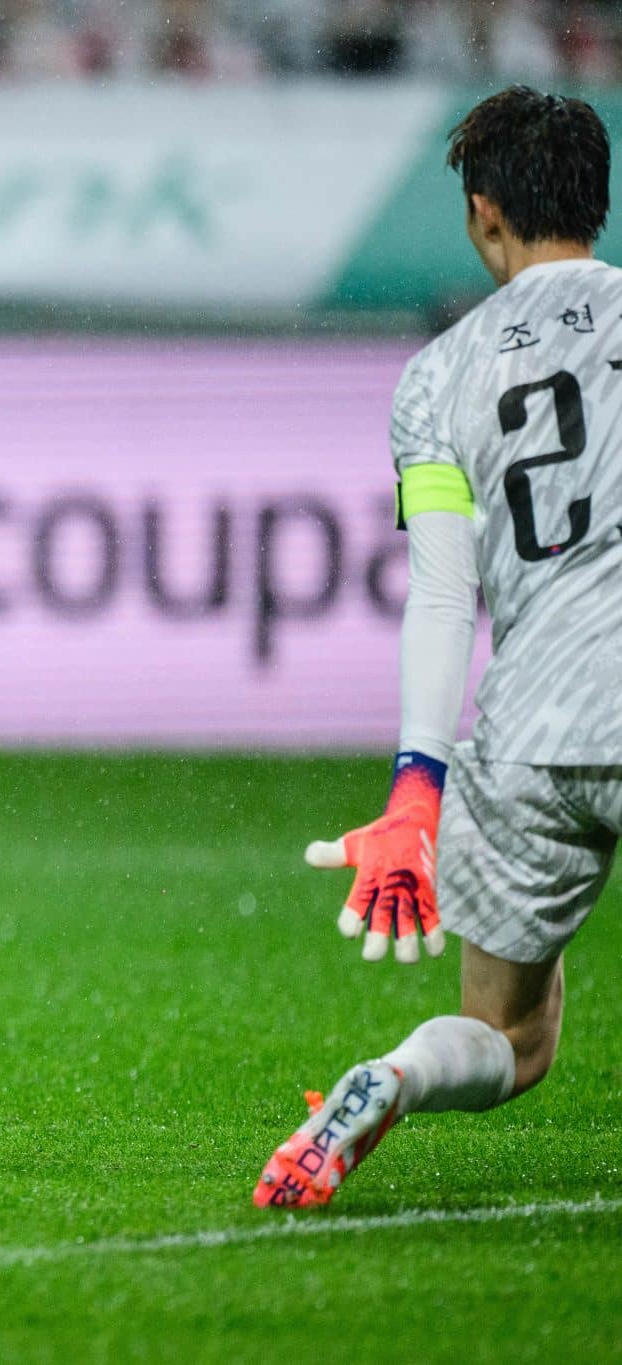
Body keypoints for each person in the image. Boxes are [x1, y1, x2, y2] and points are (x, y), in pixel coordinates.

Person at [256, 86, 615, 1207]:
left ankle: (391, 1078)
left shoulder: (434, 378)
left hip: (527, 732)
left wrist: (416, 788)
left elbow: (440, 594)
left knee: (505, 1037)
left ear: (481, 215)